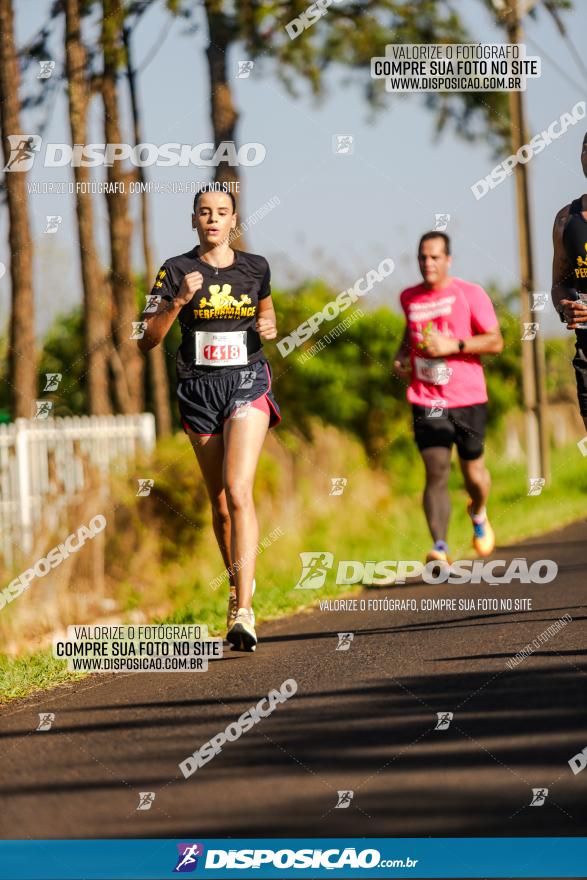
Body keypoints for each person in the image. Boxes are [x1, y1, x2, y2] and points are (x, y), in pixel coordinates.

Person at [138, 185, 281, 652]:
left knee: (239, 489)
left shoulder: (255, 267)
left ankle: (243, 609)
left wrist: (270, 325)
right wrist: (178, 301)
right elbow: (146, 339)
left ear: (234, 219)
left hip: (246, 382)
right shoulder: (174, 269)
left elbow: (266, 310)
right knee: (219, 505)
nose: (213, 219)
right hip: (198, 389)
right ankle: (240, 584)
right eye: (205, 212)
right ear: (193, 220)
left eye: (221, 212)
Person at [394, 232, 503, 565]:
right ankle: (439, 547)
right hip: (426, 396)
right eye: (422, 258)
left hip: (468, 397)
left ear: (448, 260)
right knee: (436, 470)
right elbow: (409, 335)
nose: (428, 263)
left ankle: (479, 511)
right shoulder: (409, 298)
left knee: (473, 475)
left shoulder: (470, 293)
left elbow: (495, 341)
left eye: (435, 257)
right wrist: (401, 358)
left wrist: (453, 346)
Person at [551, 131, 587, 430]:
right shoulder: (566, 219)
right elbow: (559, 283)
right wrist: (565, 307)